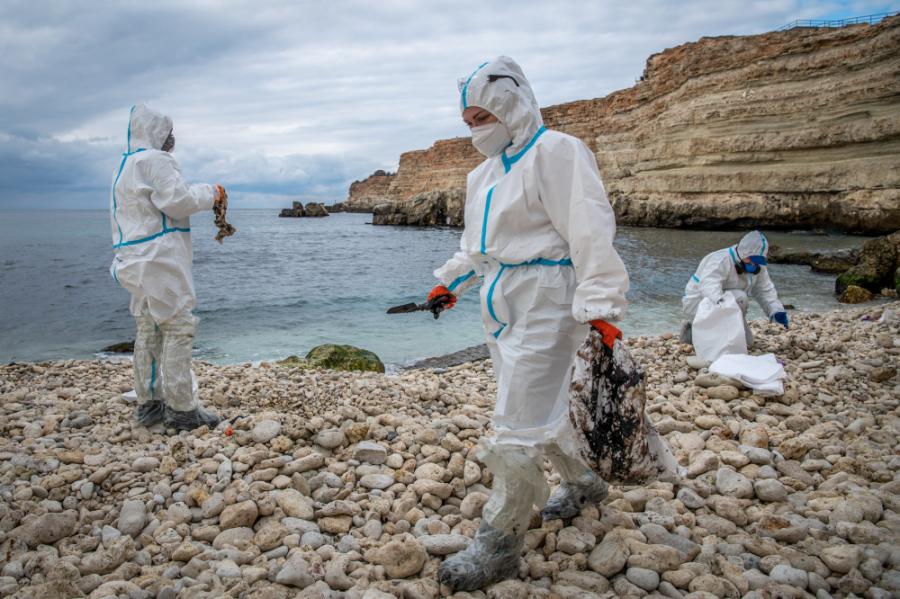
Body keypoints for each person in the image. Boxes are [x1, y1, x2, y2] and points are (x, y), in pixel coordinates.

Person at [429, 57, 630, 591]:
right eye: (468, 122)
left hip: (549, 299)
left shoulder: (557, 151)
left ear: (511, 105)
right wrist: (451, 283)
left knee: (516, 421)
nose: (476, 129)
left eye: (482, 117)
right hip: (500, 303)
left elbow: (589, 228)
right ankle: (584, 483)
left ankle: (499, 541)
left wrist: (601, 305)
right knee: (544, 403)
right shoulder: (483, 175)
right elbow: (478, 247)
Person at [109, 104, 225, 432]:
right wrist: (211, 193)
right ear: (157, 132)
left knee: (149, 328)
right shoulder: (156, 160)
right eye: (168, 132)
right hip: (158, 258)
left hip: (131, 258)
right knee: (178, 326)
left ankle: (150, 404)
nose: (171, 138)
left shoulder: (124, 165)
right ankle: (182, 409)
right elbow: (178, 202)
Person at [680, 230, 789, 347]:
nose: (755, 264)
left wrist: (776, 311)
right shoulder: (720, 260)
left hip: (729, 306)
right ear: (743, 254)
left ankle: (716, 332)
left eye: (758, 261)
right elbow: (708, 286)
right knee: (741, 298)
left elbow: (765, 290)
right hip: (700, 303)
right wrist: (721, 303)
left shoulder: (759, 267)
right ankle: (692, 328)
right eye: (752, 260)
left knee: (747, 343)